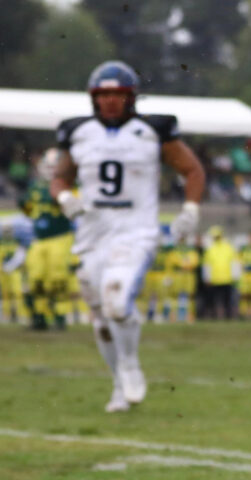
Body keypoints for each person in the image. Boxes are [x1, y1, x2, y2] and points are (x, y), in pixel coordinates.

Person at [51, 60, 205, 412]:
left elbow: (191, 169)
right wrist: (64, 197)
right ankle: (119, 384)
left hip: (135, 229)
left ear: (131, 97)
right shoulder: (77, 131)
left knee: (117, 302)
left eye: (117, 94)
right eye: (103, 94)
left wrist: (190, 209)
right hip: (93, 231)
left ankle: (131, 364)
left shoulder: (153, 130)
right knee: (100, 315)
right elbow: (59, 177)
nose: (110, 101)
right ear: (93, 98)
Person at [19, 148, 75, 331]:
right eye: (48, 165)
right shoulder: (35, 186)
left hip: (59, 237)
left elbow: (75, 210)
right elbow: (29, 212)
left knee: (57, 279)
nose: (50, 169)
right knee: (35, 278)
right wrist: (23, 204)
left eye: (54, 165)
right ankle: (39, 316)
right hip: (39, 239)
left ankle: (59, 316)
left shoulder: (69, 185)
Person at [202, 226, 239, 320]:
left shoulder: (228, 247)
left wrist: (235, 276)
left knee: (227, 300)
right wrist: (207, 278)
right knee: (215, 300)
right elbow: (207, 265)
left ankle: (228, 316)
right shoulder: (210, 249)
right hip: (215, 279)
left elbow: (234, 262)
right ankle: (216, 316)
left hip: (227, 279)